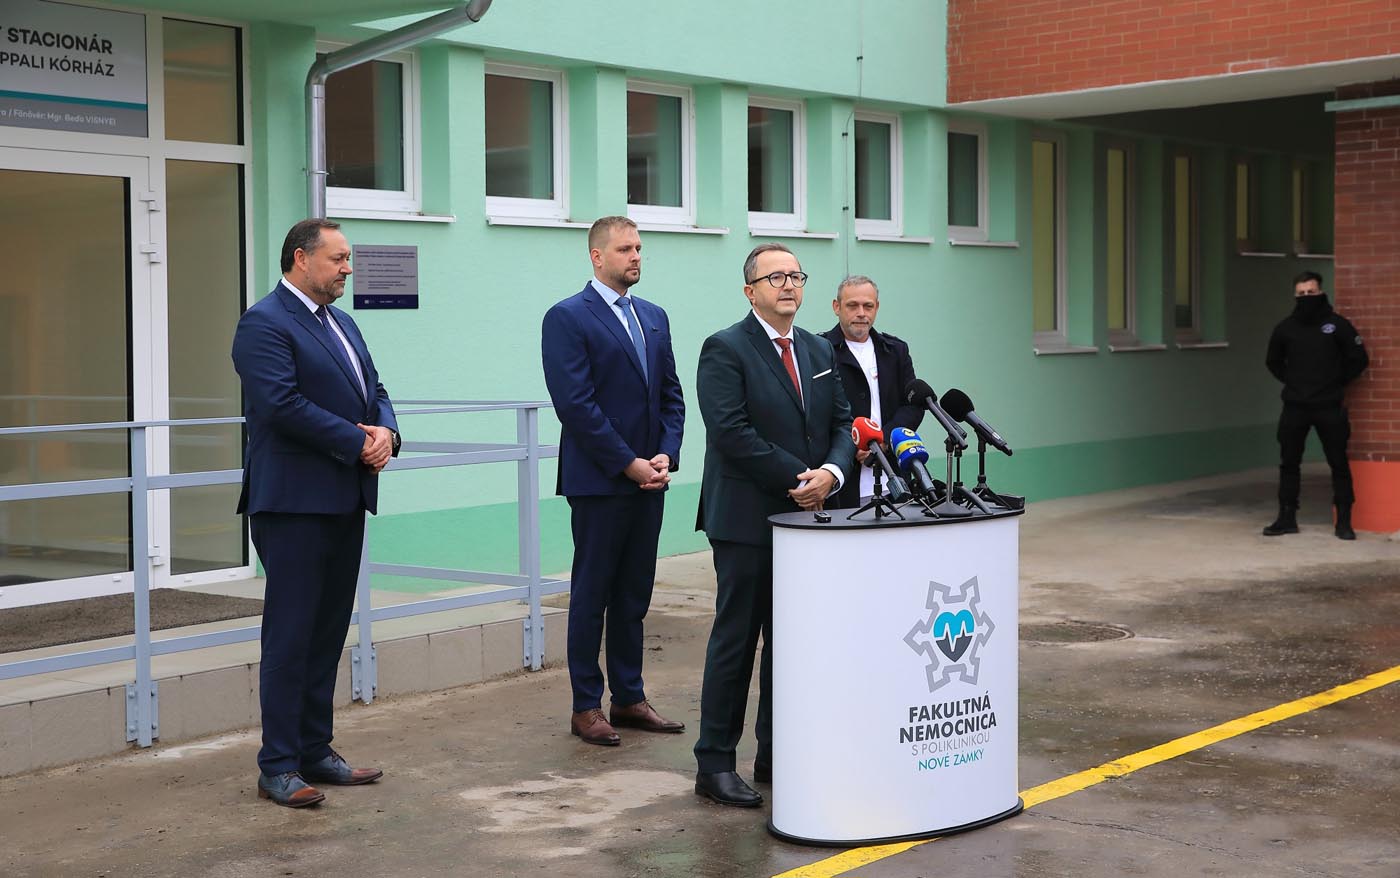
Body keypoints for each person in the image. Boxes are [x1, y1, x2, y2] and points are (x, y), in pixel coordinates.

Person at [232, 219, 401, 808]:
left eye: (348, 258)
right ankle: (277, 765)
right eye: (338, 258)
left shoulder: (342, 323)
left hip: (343, 498)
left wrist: (386, 433)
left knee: (327, 632)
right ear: (301, 259)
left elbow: (375, 390)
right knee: (291, 636)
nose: (347, 268)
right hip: (293, 503)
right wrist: (357, 442)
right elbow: (280, 405)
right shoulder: (264, 323)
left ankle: (314, 750)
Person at [692, 242, 855, 807]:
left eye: (796, 276)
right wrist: (800, 476)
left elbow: (842, 423)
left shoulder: (818, 348)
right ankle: (715, 764)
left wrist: (832, 473)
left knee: (791, 644)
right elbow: (730, 432)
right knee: (737, 642)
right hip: (746, 519)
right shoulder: (725, 348)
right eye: (775, 277)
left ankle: (775, 755)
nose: (788, 285)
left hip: (808, 519)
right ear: (750, 291)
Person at [541, 216, 687, 747]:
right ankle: (586, 706)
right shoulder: (567, 317)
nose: (636, 256)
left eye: (639, 248)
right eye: (625, 249)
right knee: (593, 594)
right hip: (601, 481)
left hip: (650, 479)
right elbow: (576, 405)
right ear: (597, 256)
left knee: (633, 595)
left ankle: (629, 698)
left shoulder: (654, 316)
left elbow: (671, 395)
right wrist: (629, 463)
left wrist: (666, 454)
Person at [1263, 270, 1369, 540]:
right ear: (1294, 295)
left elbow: (1359, 358)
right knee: (1289, 463)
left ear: (1321, 292)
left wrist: (1337, 382)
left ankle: (1343, 522)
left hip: (1329, 405)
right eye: (1301, 293)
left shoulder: (1338, 325)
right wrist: (1293, 381)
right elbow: (1273, 361)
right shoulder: (1285, 328)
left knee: (1338, 463)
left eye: (1311, 292)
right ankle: (1286, 518)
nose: (1306, 297)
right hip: (1295, 406)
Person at [821, 275, 924, 507]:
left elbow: (913, 405)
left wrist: (884, 439)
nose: (861, 313)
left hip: (893, 476)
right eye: (852, 305)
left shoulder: (895, 350)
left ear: (876, 307)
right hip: (842, 479)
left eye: (868, 306)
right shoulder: (820, 350)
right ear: (836, 307)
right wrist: (853, 446)